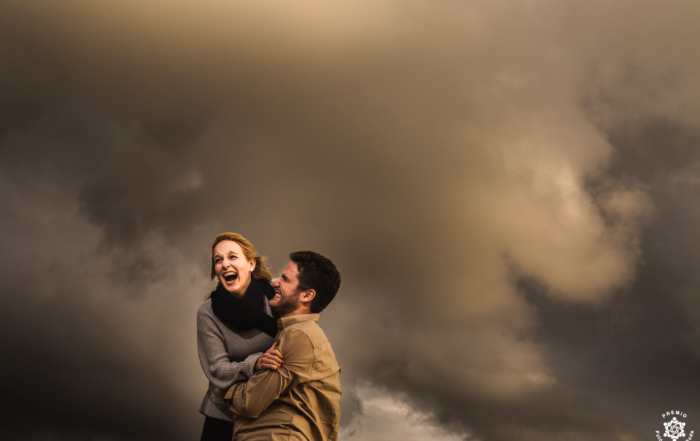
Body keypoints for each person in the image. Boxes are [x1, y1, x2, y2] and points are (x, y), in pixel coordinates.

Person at [224, 251, 342, 441]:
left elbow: (249, 402)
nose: (275, 283)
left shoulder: (299, 336)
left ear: (307, 295)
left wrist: (227, 388)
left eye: (286, 280)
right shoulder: (297, 334)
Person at [197, 233, 284, 441]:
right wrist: (255, 364)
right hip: (225, 415)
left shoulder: (276, 293)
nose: (225, 264)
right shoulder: (208, 313)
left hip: (273, 410)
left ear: (251, 264)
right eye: (218, 260)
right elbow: (218, 370)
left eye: (232, 257)